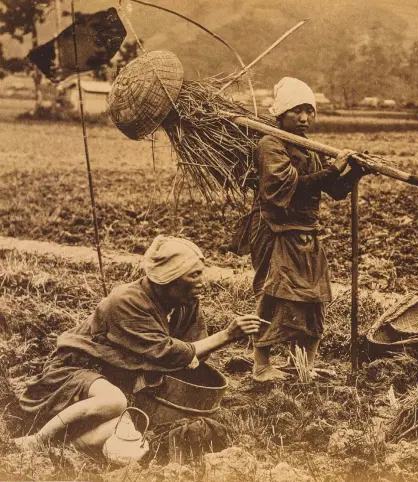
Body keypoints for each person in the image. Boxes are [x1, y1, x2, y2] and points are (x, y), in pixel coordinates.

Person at [14, 235, 261, 451]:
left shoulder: (186, 303)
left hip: (116, 380)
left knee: (132, 425)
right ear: (170, 278)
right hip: (76, 371)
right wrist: (227, 335)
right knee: (116, 402)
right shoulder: (126, 302)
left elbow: (194, 355)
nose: (202, 281)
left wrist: (202, 350)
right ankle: (38, 440)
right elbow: (169, 353)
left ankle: (66, 451)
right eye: (194, 275)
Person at [247, 77, 368, 382]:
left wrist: (353, 173)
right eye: (296, 111)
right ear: (281, 114)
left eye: (309, 111)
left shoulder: (310, 150)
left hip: (306, 232)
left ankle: (304, 366)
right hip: (276, 231)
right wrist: (331, 170)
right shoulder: (270, 144)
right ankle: (261, 366)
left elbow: (334, 190)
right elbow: (285, 189)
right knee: (276, 296)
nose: (304, 118)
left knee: (313, 298)